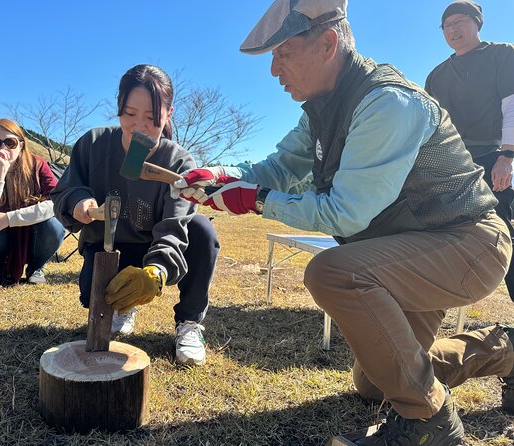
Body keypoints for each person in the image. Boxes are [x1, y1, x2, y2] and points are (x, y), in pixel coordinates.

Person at [172, 0, 514, 443]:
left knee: (334, 272)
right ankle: (505, 350)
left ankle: (430, 423)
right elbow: (279, 168)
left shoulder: (387, 104)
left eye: (284, 53)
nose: (275, 70)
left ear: (328, 43)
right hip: (414, 247)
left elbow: (344, 211)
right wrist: (223, 177)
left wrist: (256, 202)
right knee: (374, 383)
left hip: (468, 244)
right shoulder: (322, 108)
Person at [50, 64, 220, 366]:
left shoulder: (178, 161)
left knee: (202, 231)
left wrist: (155, 273)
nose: (139, 126)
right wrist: (83, 205)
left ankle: (189, 323)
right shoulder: (93, 144)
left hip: (156, 244)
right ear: (118, 109)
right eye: (130, 114)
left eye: (152, 118)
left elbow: (174, 225)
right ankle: (122, 310)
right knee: (91, 294)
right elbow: (66, 191)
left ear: (168, 114)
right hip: (109, 245)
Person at [426, 1, 514, 302]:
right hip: (451, 161)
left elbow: (512, 105)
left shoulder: (502, 55)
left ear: (477, 23)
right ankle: (432, 304)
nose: (453, 30)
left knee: (502, 230)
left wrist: (508, 156)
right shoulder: (437, 75)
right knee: (442, 233)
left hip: (492, 156)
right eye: (446, 26)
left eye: (459, 21)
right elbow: (431, 125)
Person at [0, 118, 65, 286]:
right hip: (0, 233)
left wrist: (9, 219)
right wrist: (0, 172)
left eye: (10, 143)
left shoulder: (37, 164)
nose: (3, 148)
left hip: (33, 228)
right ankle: (1, 268)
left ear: (21, 144)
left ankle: (36, 267)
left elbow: (55, 201)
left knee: (54, 226)